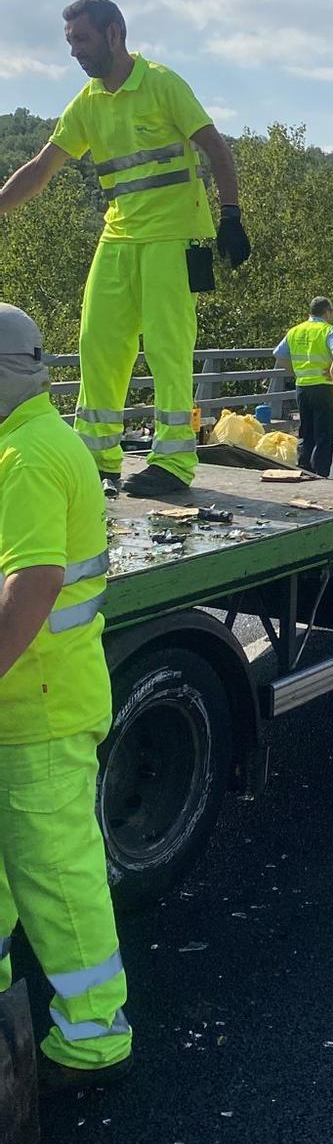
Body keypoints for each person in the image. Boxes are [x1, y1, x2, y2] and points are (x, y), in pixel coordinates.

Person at [0, 0, 250, 501]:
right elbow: (41, 168)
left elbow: (215, 147)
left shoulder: (162, 83)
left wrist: (231, 215)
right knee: (98, 345)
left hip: (170, 237)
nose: (74, 51)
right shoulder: (88, 102)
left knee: (167, 347)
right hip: (118, 237)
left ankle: (174, 462)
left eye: (82, 39)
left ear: (114, 34)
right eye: (69, 41)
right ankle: (97, 458)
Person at [0, 303, 131, 1093]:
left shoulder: (25, 455)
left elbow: (35, 581)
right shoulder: (26, 439)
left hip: (39, 710)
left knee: (56, 873)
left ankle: (92, 1042)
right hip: (27, 702)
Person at [276, 296, 333, 477]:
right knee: (325, 433)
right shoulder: (330, 331)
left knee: (306, 430)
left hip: (302, 386)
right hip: (324, 386)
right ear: (327, 311)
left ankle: (304, 468)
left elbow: (279, 354)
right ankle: (321, 472)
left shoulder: (295, 331)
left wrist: (296, 371)